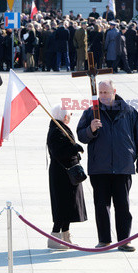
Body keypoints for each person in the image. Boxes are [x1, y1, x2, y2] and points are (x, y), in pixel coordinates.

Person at [77, 80, 138, 251]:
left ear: (114, 91)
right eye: (100, 93)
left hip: (122, 167)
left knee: (123, 205)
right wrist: (91, 130)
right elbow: (80, 135)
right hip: (99, 167)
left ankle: (124, 240)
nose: (103, 96)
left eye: (106, 92)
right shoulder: (90, 113)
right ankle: (104, 240)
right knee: (101, 206)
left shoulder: (129, 112)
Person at [46, 105, 87, 250]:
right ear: (64, 116)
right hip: (61, 175)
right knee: (62, 206)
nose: (70, 116)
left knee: (68, 206)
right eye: (69, 114)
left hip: (68, 174)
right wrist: (75, 148)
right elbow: (59, 151)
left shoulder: (60, 128)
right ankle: (54, 237)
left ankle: (65, 237)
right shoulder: (56, 131)